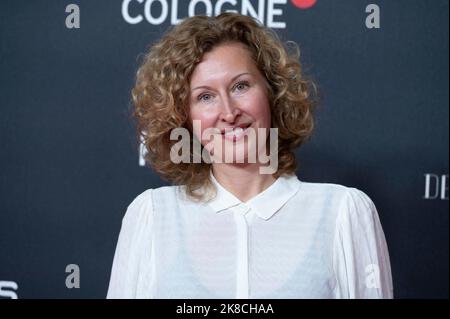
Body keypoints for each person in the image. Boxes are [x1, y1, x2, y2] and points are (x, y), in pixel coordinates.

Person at [107, 12, 393, 299]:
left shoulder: (343, 212)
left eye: (240, 86)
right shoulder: (152, 215)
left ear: (273, 93)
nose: (229, 112)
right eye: (205, 97)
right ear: (184, 118)